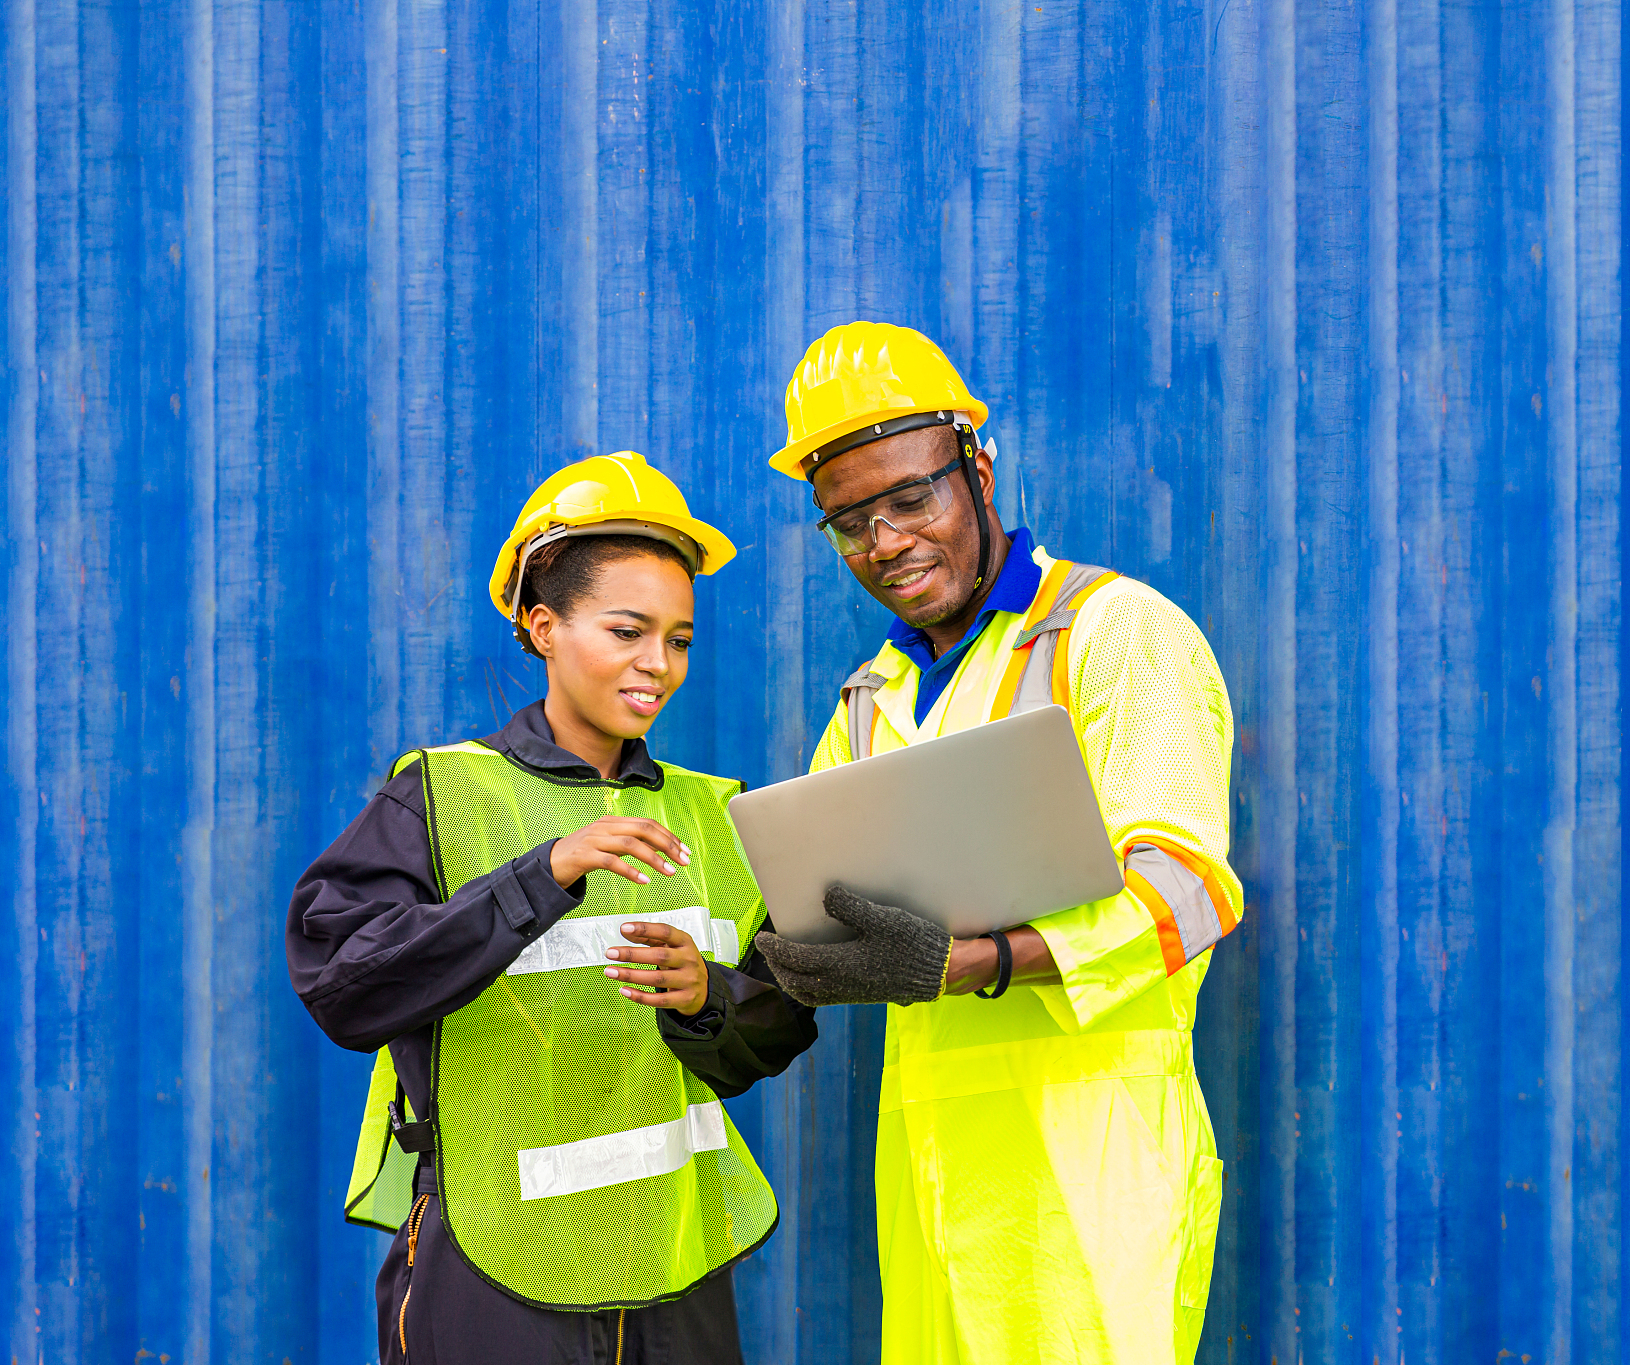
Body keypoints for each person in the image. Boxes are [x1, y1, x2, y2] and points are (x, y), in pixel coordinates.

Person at [707, 321, 1243, 1364]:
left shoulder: (1109, 630)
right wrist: (718, 993)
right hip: (933, 1176)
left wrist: (978, 963)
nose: (887, 542)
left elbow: (1188, 895)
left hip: (1087, 1172)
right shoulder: (872, 697)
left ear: (977, 470)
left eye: (911, 499)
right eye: (849, 523)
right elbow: (801, 911)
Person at [287, 451, 816, 1365]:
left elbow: (776, 1029)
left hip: (676, 1270)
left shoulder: (717, 814)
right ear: (543, 627)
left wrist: (706, 999)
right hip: (491, 1275)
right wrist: (544, 875)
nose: (660, 664)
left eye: (680, 639)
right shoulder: (442, 796)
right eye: (627, 630)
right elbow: (343, 985)